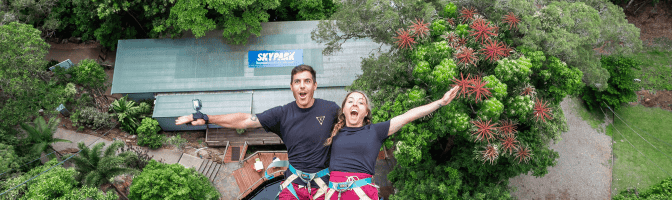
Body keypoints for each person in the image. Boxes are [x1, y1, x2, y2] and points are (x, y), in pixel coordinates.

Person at [175, 64, 338, 200]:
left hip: (323, 185)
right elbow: (245, 120)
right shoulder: (282, 114)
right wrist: (207, 118)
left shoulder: (330, 109)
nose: (302, 85)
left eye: (307, 81)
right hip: (294, 185)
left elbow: (355, 128)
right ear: (292, 87)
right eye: (297, 82)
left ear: (315, 85)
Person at [322, 86, 459, 200]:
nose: (355, 104)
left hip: (361, 195)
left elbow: (407, 116)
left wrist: (441, 102)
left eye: (361, 102)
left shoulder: (375, 131)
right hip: (334, 194)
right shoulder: (333, 132)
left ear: (366, 112)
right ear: (344, 110)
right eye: (350, 101)